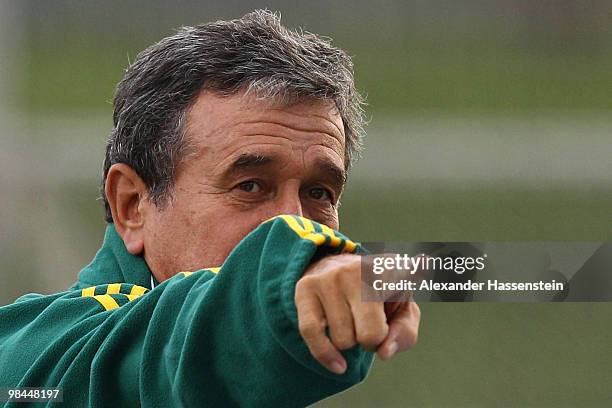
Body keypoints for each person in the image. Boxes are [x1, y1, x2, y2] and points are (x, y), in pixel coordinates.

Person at [0, 10, 420, 407]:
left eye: (319, 193)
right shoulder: (38, 362)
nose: (296, 225)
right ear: (132, 205)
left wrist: (445, 270)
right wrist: (287, 287)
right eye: (250, 185)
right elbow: (182, 343)